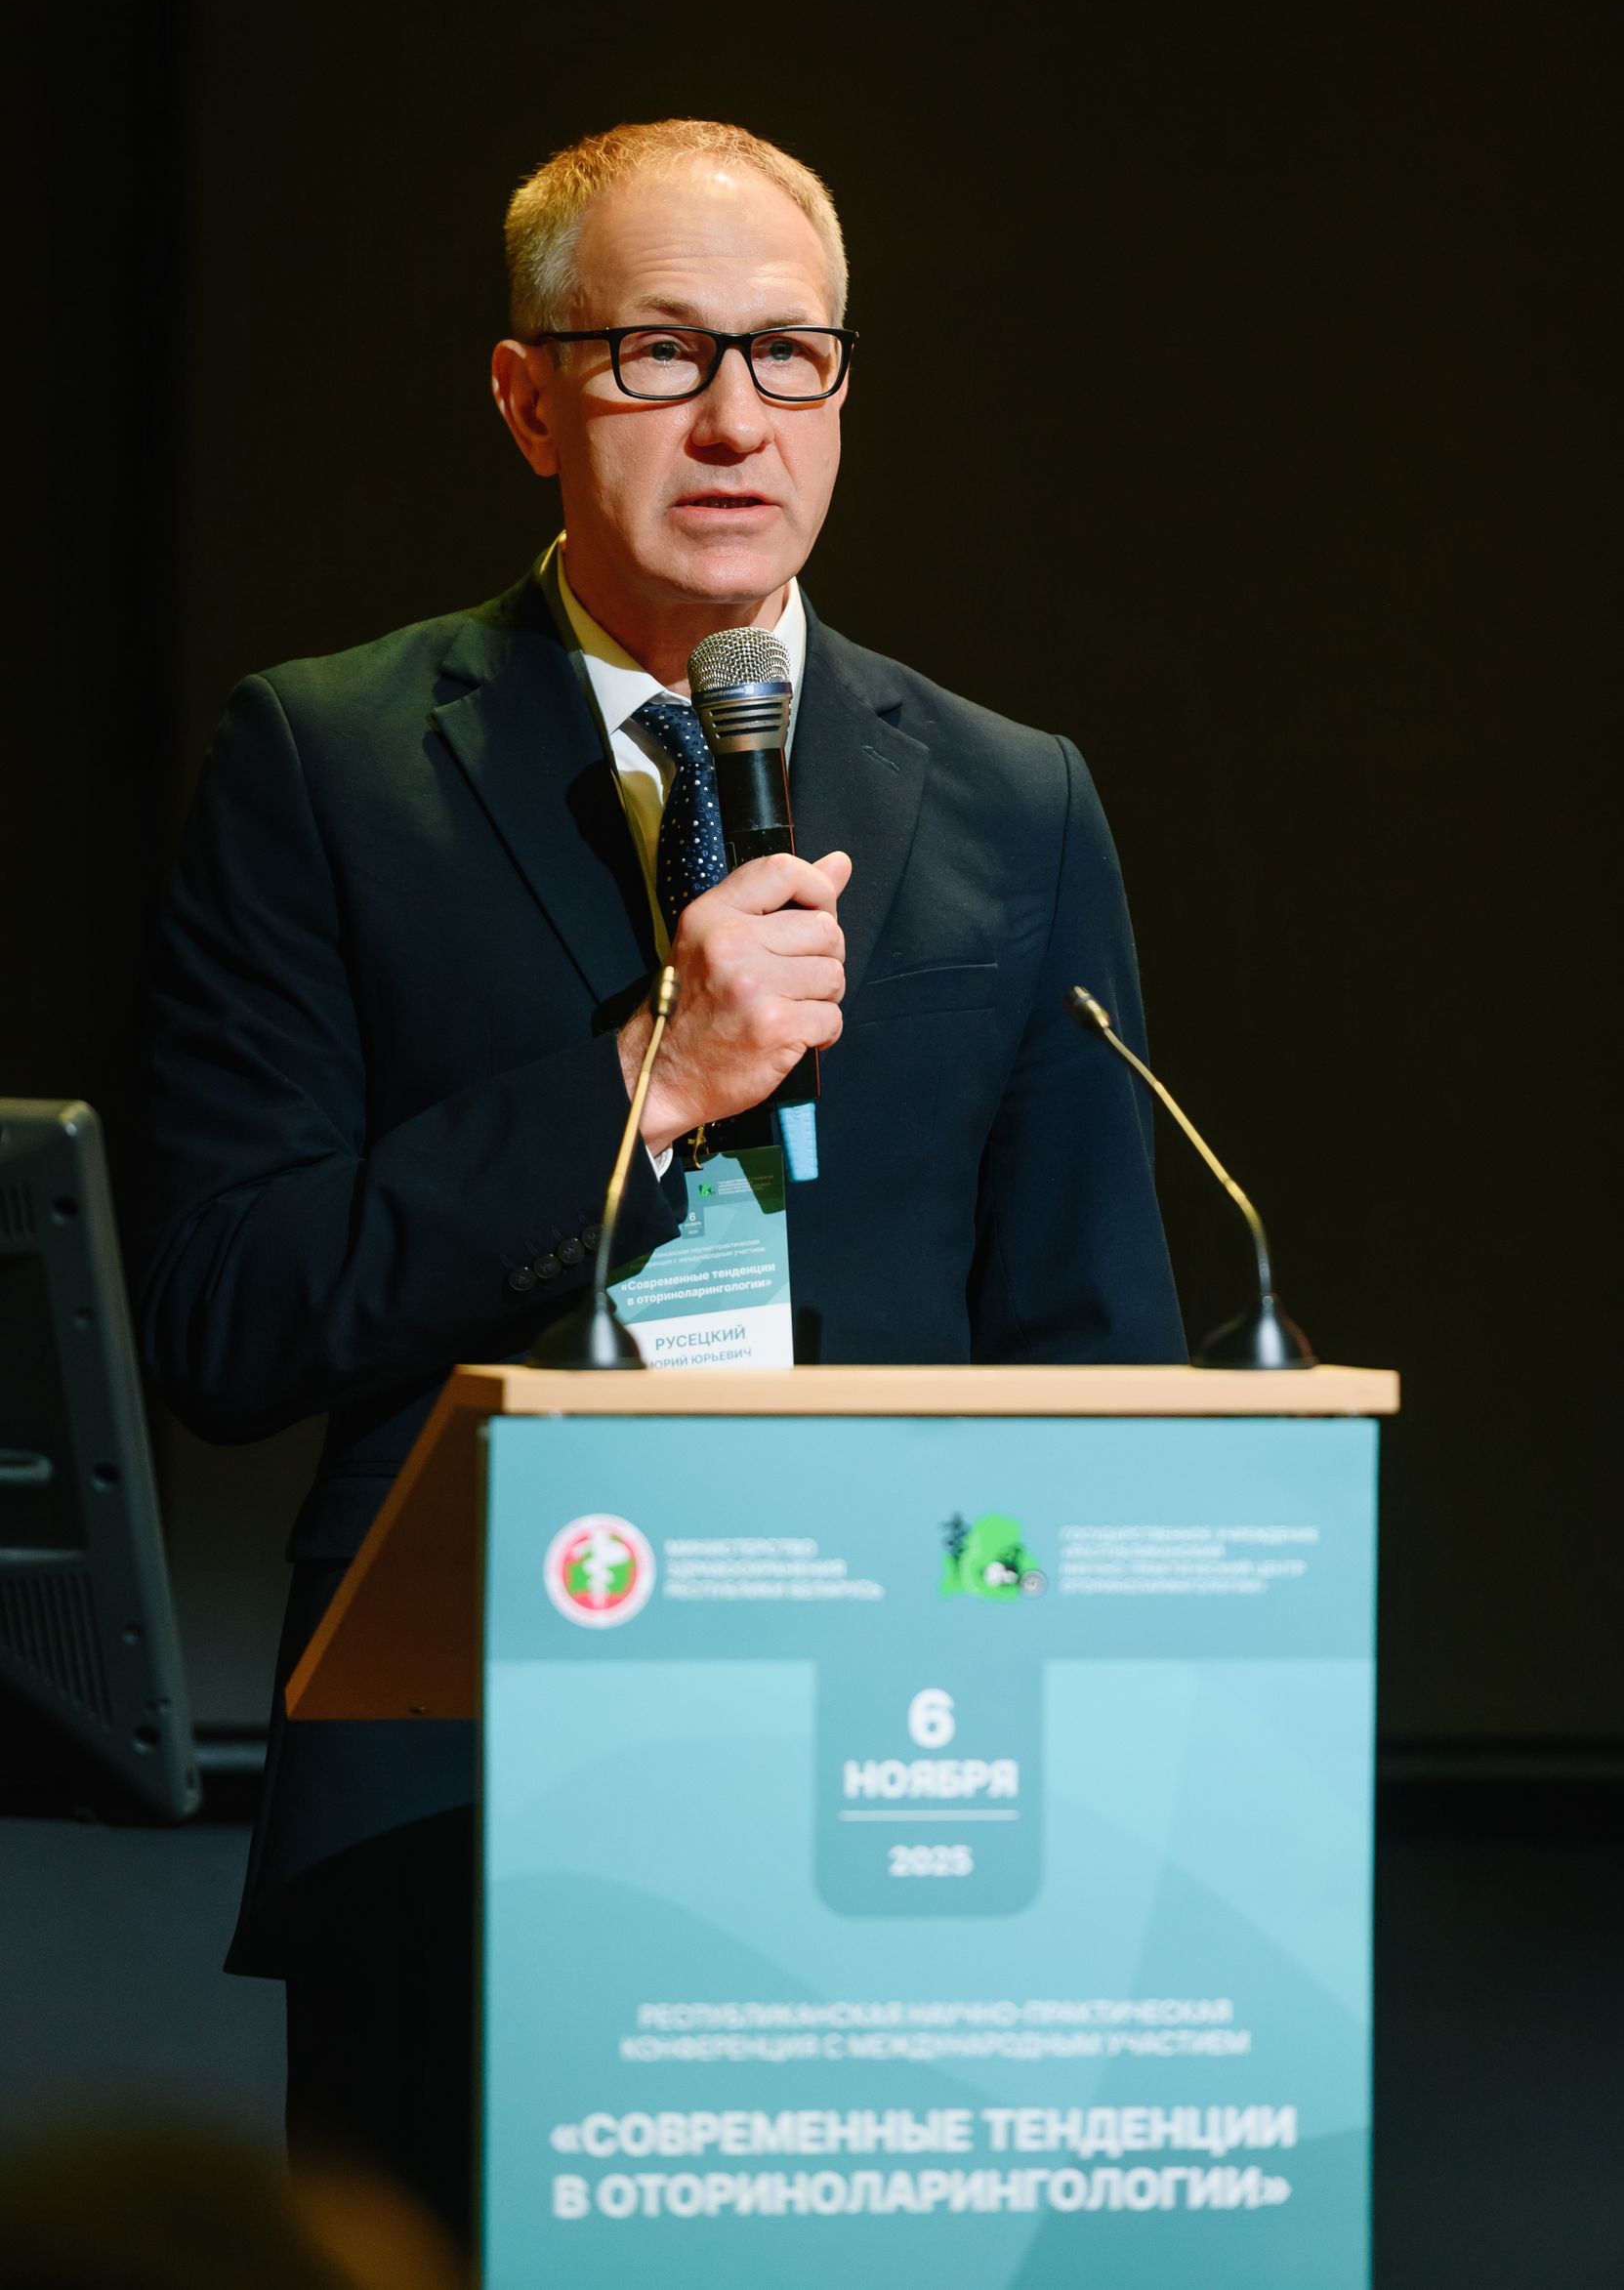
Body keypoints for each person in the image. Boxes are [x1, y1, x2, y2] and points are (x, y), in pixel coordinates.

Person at [133, 118, 1185, 2236]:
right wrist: (651, 1077)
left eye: (790, 354)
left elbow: (1098, 1352)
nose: (733, 419)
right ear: (528, 397)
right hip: (468, 1790)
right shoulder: (329, 763)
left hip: (902, 1794)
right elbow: (230, 1312)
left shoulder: (1014, 798)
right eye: (656, 352)